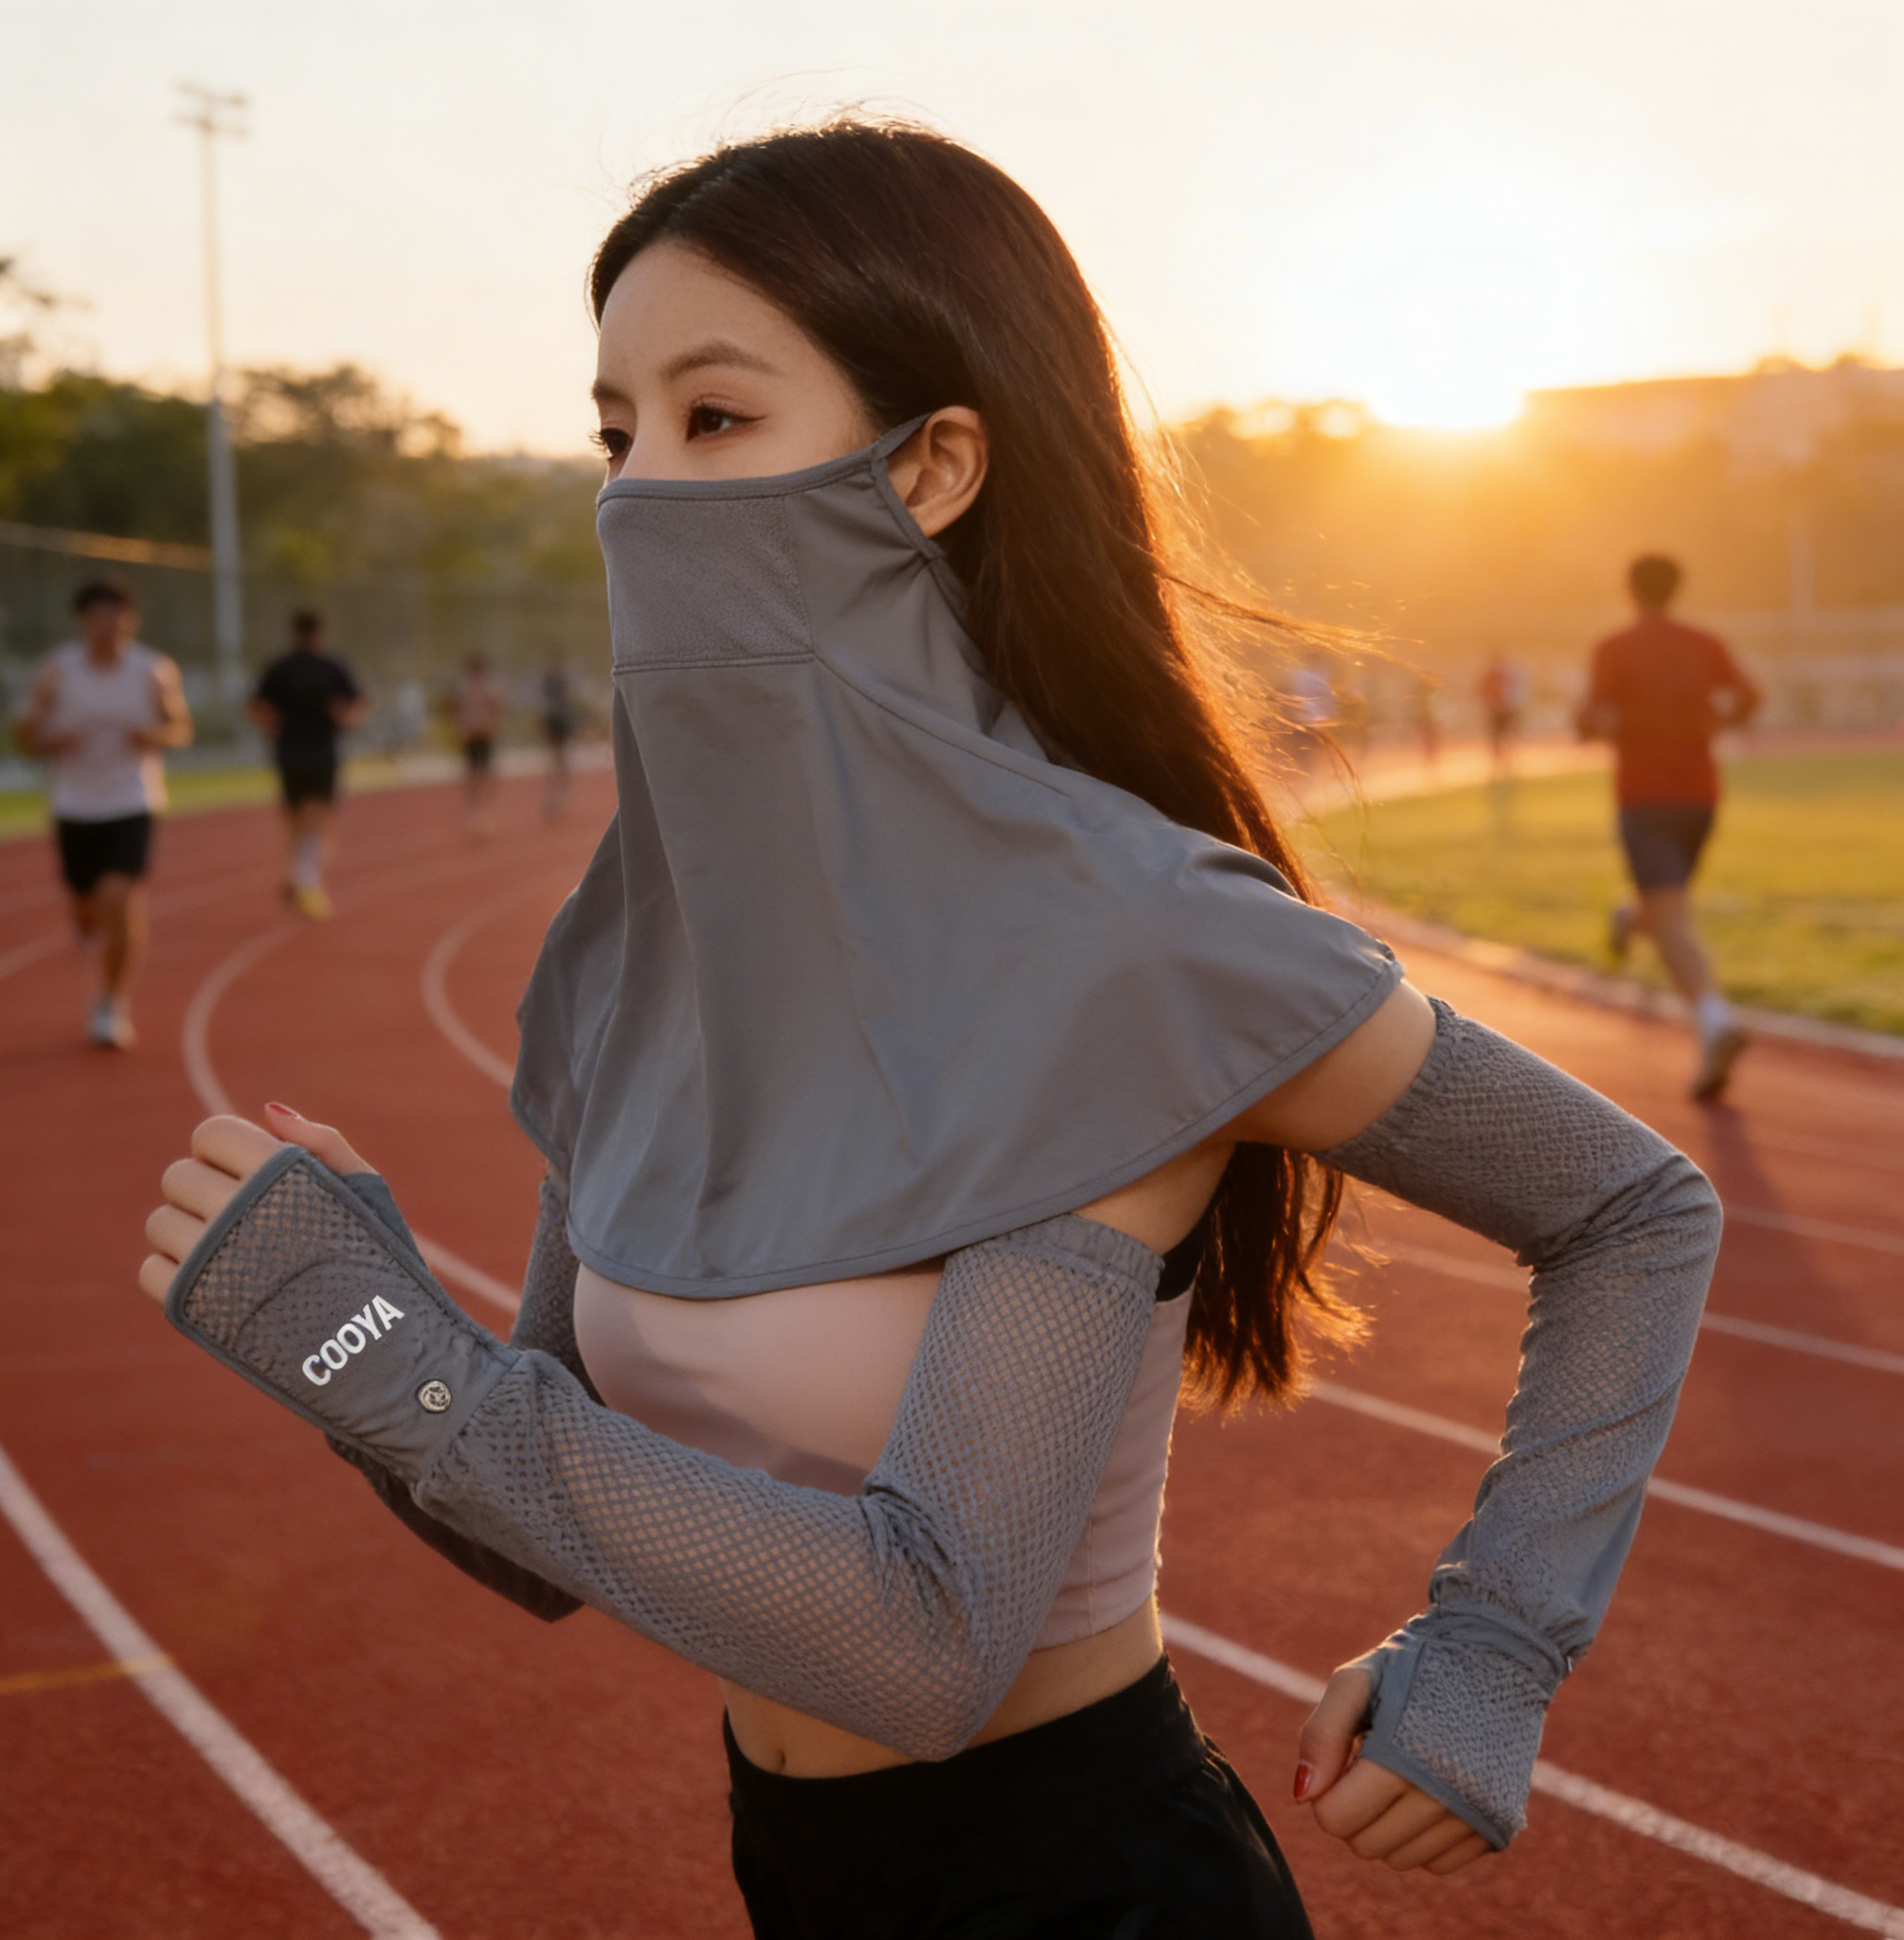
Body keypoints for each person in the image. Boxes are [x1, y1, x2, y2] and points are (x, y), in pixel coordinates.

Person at [141, 123, 1722, 1937]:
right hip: (802, 1879)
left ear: (933, 467)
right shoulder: (647, 949)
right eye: (613, 430)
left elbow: (928, 1638)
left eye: (713, 420)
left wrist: (1498, 1638)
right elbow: (541, 1530)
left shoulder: (1125, 944)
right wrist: (362, 1335)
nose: (637, 492)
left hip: (1089, 1888)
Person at [1580, 554, 1762, 1102]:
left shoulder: (1614, 649)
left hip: (1644, 797)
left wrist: (1605, 725)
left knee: (1671, 913)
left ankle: (1714, 1024)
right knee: (1668, 907)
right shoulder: (1707, 644)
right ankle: (1626, 916)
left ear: (1629, 589)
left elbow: (1588, 718)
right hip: (1701, 797)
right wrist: (1710, 725)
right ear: (1678, 588)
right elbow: (1750, 699)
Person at [14, 577, 190, 1048]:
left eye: (119, 616)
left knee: (120, 899)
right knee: (86, 909)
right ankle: (93, 934)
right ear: (83, 621)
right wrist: (52, 739)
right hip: (75, 805)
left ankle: (111, 1004)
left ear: (130, 620)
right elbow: (24, 735)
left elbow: (179, 729)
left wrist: (154, 736)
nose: (110, 626)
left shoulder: (152, 670)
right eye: (99, 616)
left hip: (131, 800)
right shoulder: (57, 671)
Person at [250, 609, 366, 918]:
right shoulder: (330, 666)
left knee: (298, 820)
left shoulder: (281, 667)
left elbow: (257, 706)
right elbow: (357, 703)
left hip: (290, 752)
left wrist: (270, 727)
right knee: (317, 819)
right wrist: (347, 720)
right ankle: (307, 881)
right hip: (319, 753)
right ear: (319, 633)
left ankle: (299, 875)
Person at [450, 653, 509, 835]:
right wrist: (460, 727)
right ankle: (473, 814)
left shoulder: (491, 686)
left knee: (487, 775)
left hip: (485, 736)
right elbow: (454, 707)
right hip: (470, 736)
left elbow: (497, 708)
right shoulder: (463, 687)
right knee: (472, 776)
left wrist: (494, 726)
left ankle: (487, 812)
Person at [537, 653, 580, 822]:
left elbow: (570, 706)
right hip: (554, 726)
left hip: (562, 726)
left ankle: (558, 799)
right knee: (556, 764)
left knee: (562, 765)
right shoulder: (549, 683)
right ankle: (553, 799)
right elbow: (545, 708)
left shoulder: (564, 681)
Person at [1476, 654, 1526, 779]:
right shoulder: (1504, 673)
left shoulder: (1496, 673)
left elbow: (1481, 690)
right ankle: (1504, 766)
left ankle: (1503, 766)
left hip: (1500, 709)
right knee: (1504, 737)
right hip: (1503, 709)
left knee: (1501, 738)